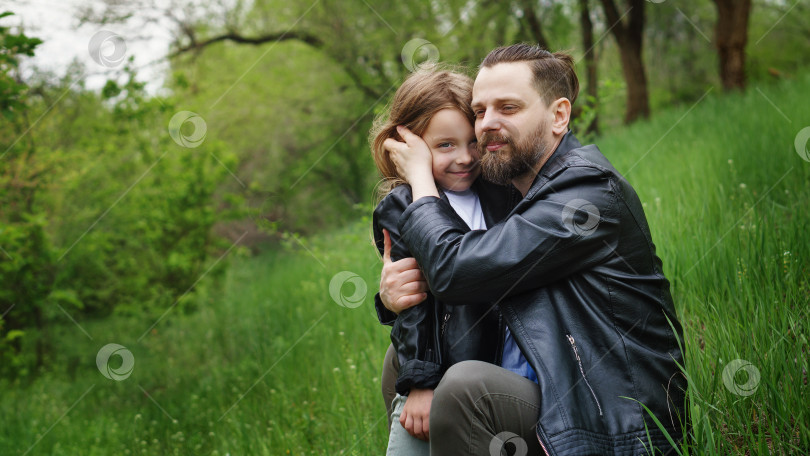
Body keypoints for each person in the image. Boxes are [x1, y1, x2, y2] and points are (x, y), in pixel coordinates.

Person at [381, 44, 686, 455]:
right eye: (480, 110)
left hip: (613, 420)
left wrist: (421, 179)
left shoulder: (585, 197)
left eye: (508, 107)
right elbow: (468, 284)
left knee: (466, 388)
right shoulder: (513, 188)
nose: (487, 124)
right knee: (399, 362)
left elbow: (459, 270)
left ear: (559, 116)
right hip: (549, 387)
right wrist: (392, 298)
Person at [369, 68, 517, 454]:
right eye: (446, 146)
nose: (466, 158)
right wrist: (420, 382)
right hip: (443, 363)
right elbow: (413, 306)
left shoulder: (498, 189)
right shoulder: (402, 206)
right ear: (408, 144)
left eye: (472, 142)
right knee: (415, 435)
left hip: (501, 358)